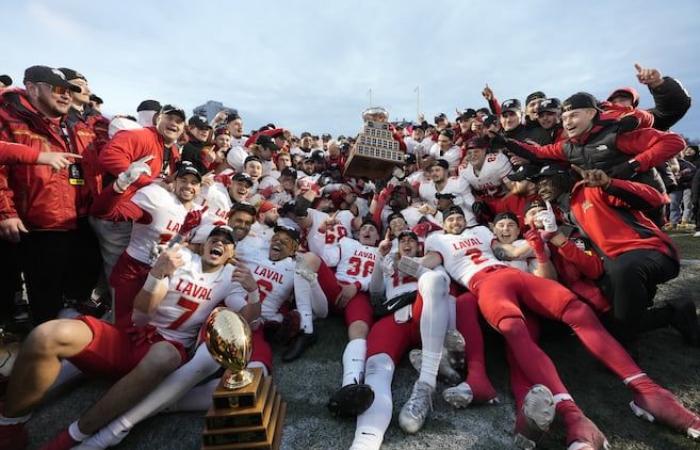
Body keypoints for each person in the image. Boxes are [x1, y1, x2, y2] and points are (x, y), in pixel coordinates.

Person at [399, 205, 700, 449]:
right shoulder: (438, 239)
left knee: (577, 310)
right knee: (514, 331)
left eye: (457, 216)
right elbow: (430, 261)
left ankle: (648, 391)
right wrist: (406, 262)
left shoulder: (480, 230)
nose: (454, 221)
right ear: (441, 221)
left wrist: (533, 242)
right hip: (484, 283)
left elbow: (504, 250)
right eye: (449, 217)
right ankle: (573, 417)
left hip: (513, 275)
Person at [0, 226, 258, 450]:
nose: (219, 242)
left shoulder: (230, 278)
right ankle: (10, 423)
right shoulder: (181, 259)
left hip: (166, 350)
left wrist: (254, 292)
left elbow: (246, 322)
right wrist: (157, 275)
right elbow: (142, 314)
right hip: (130, 336)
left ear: (232, 253)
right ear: (202, 243)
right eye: (215, 237)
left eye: (227, 241)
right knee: (46, 335)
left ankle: (75, 434)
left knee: (164, 355)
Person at [536, 164, 699, 346]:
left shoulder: (592, 190)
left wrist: (610, 185)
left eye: (546, 181)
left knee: (622, 272)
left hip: (650, 251)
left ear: (563, 178)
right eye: (538, 183)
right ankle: (675, 311)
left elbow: (655, 198)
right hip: (613, 265)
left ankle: (625, 348)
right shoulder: (557, 214)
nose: (540, 187)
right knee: (609, 320)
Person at [0, 65, 101, 324]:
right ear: (32, 88)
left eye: (69, 90)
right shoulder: (8, 118)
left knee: (75, 292)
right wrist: (5, 213)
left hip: (76, 220)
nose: (66, 95)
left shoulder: (72, 123)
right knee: (45, 301)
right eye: (58, 89)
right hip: (37, 225)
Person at [348, 230, 451, 449]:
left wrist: (406, 264)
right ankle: (365, 441)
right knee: (376, 368)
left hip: (425, 310)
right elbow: (375, 293)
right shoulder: (388, 264)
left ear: (418, 247)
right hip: (395, 315)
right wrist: (379, 257)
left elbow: (443, 285)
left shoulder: (427, 263)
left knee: (433, 281)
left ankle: (426, 383)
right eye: (402, 240)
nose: (406, 243)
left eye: (411, 241)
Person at [91, 162, 205, 328]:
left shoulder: (199, 213)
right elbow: (104, 212)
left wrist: (181, 240)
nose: (188, 185)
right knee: (123, 325)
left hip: (166, 276)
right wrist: (120, 184)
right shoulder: (158, 199)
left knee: (146, 326)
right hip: (135, 271)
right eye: (183, 180)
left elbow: (196, 247)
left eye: (194, 182)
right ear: (175, 182)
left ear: (200, 188)